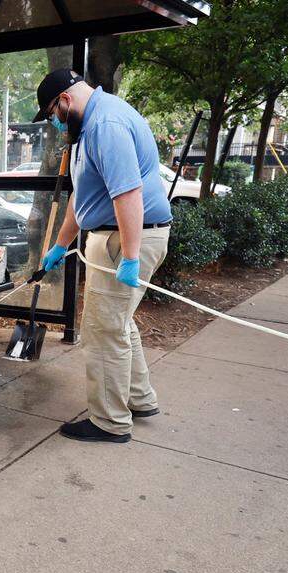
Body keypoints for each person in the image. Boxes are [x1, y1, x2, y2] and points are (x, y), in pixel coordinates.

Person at [35, 69, 173, 443]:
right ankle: (139, 399)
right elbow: (83, 198)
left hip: (125, 240)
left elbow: (127, 194)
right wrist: (60, 245)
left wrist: (129, 256)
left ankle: (109, 422)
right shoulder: (90, 124)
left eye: (52, 113)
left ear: (65, 100)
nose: (54, 121)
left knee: (102, 331)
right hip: (118, 237)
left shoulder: (105, 124)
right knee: (119, 322)